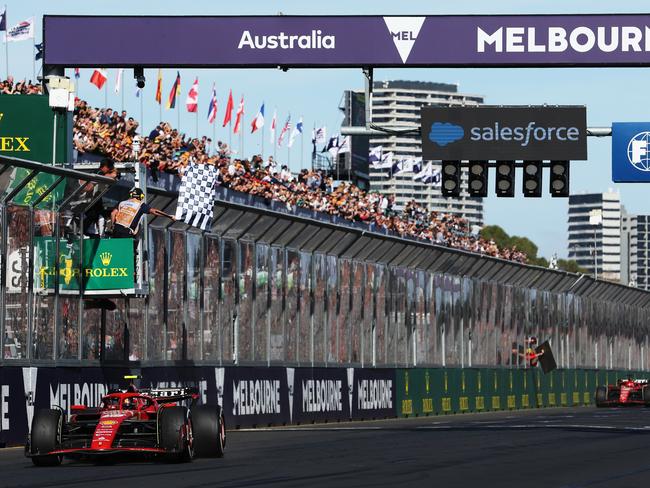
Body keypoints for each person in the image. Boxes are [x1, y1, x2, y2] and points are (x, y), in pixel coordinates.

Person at [111, 188, 175, 238]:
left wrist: (113, 225)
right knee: (126, 251)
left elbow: (113, 213)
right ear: (141, 196)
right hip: (126, 231)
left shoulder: (122, 203)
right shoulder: (140, 205)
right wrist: (169, 216)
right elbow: (154, 211)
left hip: (116, 229)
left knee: (116, 249)